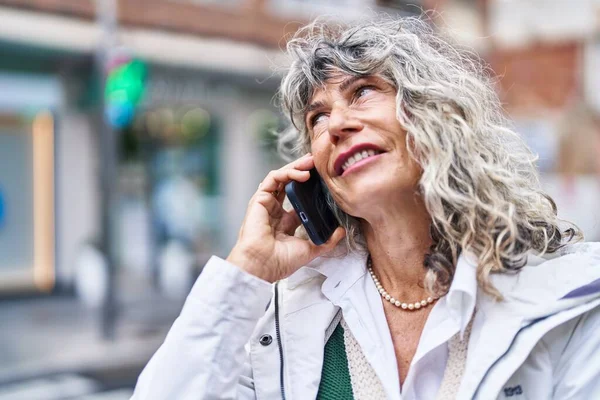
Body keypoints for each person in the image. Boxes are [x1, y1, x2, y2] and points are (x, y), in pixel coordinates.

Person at [131, 15, 600, 400]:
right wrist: (248, 269)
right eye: (318, 117)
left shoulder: (570, 299)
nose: (336, 124)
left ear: (437, 114)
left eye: (362, 92)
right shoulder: (288, 314)